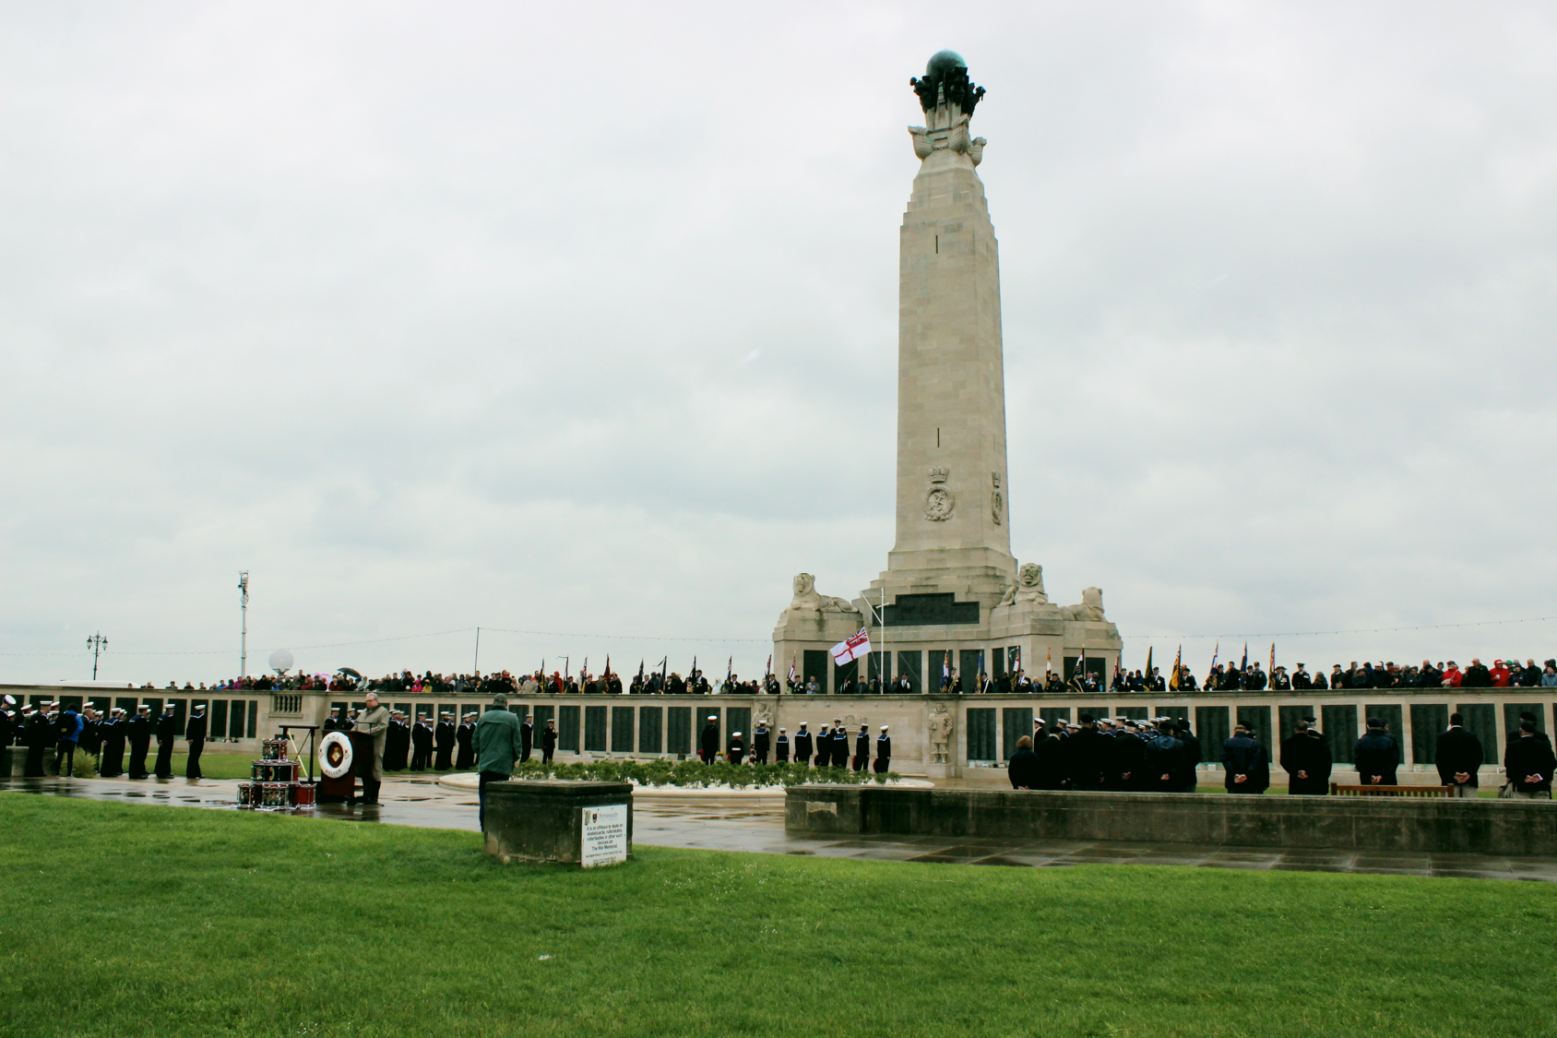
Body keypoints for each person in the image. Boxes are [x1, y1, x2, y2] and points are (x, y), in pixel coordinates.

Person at [474, 695, 525, 829]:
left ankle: (484, 827)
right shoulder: (512, 719)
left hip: (485, 765)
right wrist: (513, 759)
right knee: (501, 798)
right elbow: (517, 744)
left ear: (493, 703)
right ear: (506, 704)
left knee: (485, 798)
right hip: (503, 765)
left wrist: (483, 754)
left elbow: (475, 742)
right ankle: (498, 828)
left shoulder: (484, 717)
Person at [1503, 721, 1556, 799]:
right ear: (1533, 732)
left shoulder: (1512, 746)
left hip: (1521, 787)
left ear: (1521, 732)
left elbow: (1509, 765)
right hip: (1541, 786)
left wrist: (1522, 777)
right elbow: (1552, 763)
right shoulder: (1544, 745)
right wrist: (1540, 776)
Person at [355, 692, 391, 806]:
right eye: (366, 701)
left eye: (370, 701)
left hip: (375, 744)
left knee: (375, 768)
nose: (368, 703)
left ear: (376, 701)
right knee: (363, 768)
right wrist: (352, 732)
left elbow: (382, 726)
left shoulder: (383, 712)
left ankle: (373, 796)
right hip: (362, 745)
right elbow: (357, 724)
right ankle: (366, 794)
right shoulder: (364, 712)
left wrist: (366, 733)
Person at [1279, 717, 1331, 795]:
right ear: (1307, 730)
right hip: (1314, 782)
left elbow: (1284, 761)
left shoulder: (1287, 743)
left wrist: (1297, 771)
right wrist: (1309, 773)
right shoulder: (1317, 744)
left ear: (1295, 729)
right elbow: (1324, 762)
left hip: (1296, 782)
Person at [1436, 713, 1483, 798]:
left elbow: (1439, 760)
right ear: (1463, 723)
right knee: (1472, 806)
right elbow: (1479, 757)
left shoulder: (1442, 737)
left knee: (1451, 808)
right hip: (1469, 780)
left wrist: (1453, 774)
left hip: (1450, 780)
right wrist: (1469, 773)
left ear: (1450, 722)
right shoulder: (1472, 737)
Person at [1221, 724, 1269, 794]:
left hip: (1233, 780)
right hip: (1250, 780)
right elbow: (1256, 760)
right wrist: (1246, 774)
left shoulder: (1227, 742)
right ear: (1246, 732)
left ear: (1235, 732)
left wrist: (1234, 774)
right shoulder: (1254, 743)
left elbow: (1224, 759)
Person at [1354, 716, 1400, 786]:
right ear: (1381, 727)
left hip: (1367, 781)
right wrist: (1382, 775)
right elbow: (1394, 760)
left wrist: (1370, 775)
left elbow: (1358, 761)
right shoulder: (1389, 742)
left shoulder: (1360, 742)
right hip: (1387, 780)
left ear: (1368, 726)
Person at [55, 702, 82, 779]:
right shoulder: (77, 717)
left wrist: (60, 735)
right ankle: (69, 774)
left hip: (61, 739)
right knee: (70, 757)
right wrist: (72, 735)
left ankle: (57, 773)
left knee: (60, 756)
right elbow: (80, 728)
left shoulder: (61, 716)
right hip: (72, 740)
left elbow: (56, 727)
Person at [99, 707, 127, 778]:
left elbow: (103, 731)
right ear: (118, 713)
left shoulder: (107, 721)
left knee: (106, 757)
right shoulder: (118, 721)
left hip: (107, 742)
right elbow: (121, 732)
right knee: (113, 758)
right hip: (114, 742)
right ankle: (111, 772)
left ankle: (104, 772)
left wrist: (104, 739)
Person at [127, 705, 152, 779]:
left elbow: (129, 730)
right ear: (144, 711)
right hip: (140, 741)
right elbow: (143, 732)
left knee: (134, 757)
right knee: (139, 758)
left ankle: (133, 773)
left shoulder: (133, 718)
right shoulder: (141, 719)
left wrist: (130, 739)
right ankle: (137, 773)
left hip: (135, 741)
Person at [154, 702, 177, 779]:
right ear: (170, 710)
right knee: (166, 755)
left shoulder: (161, 717)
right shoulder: (170, 717)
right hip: (167, 739)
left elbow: (158, 729)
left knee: (161, 755)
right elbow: (169, 729)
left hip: (162, 739)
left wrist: (159, 739)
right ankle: (165, 772)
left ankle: (159, 771)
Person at [184, 703, 207, 779]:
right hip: (198, 739)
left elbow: (189, 728)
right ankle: (195, 773)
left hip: (193, 740)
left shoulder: (192, 717)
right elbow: (202, 730)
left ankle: (191, 773)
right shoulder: (201, 717)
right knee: (195, 757)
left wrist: (189, 738)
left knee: (192, 756)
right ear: (201, 710)